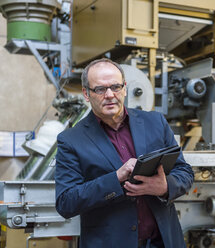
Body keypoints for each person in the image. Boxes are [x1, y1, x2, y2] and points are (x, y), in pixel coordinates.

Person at [55, 58, 194, 248]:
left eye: (116, 87)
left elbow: (185, 172)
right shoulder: (71, 140)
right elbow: (66, 202)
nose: (110, 95)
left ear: (125, 88)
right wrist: (116, 178)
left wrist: (164, 187)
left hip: (163, 242)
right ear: (86, 94)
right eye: (100, 89)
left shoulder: (156, 122)